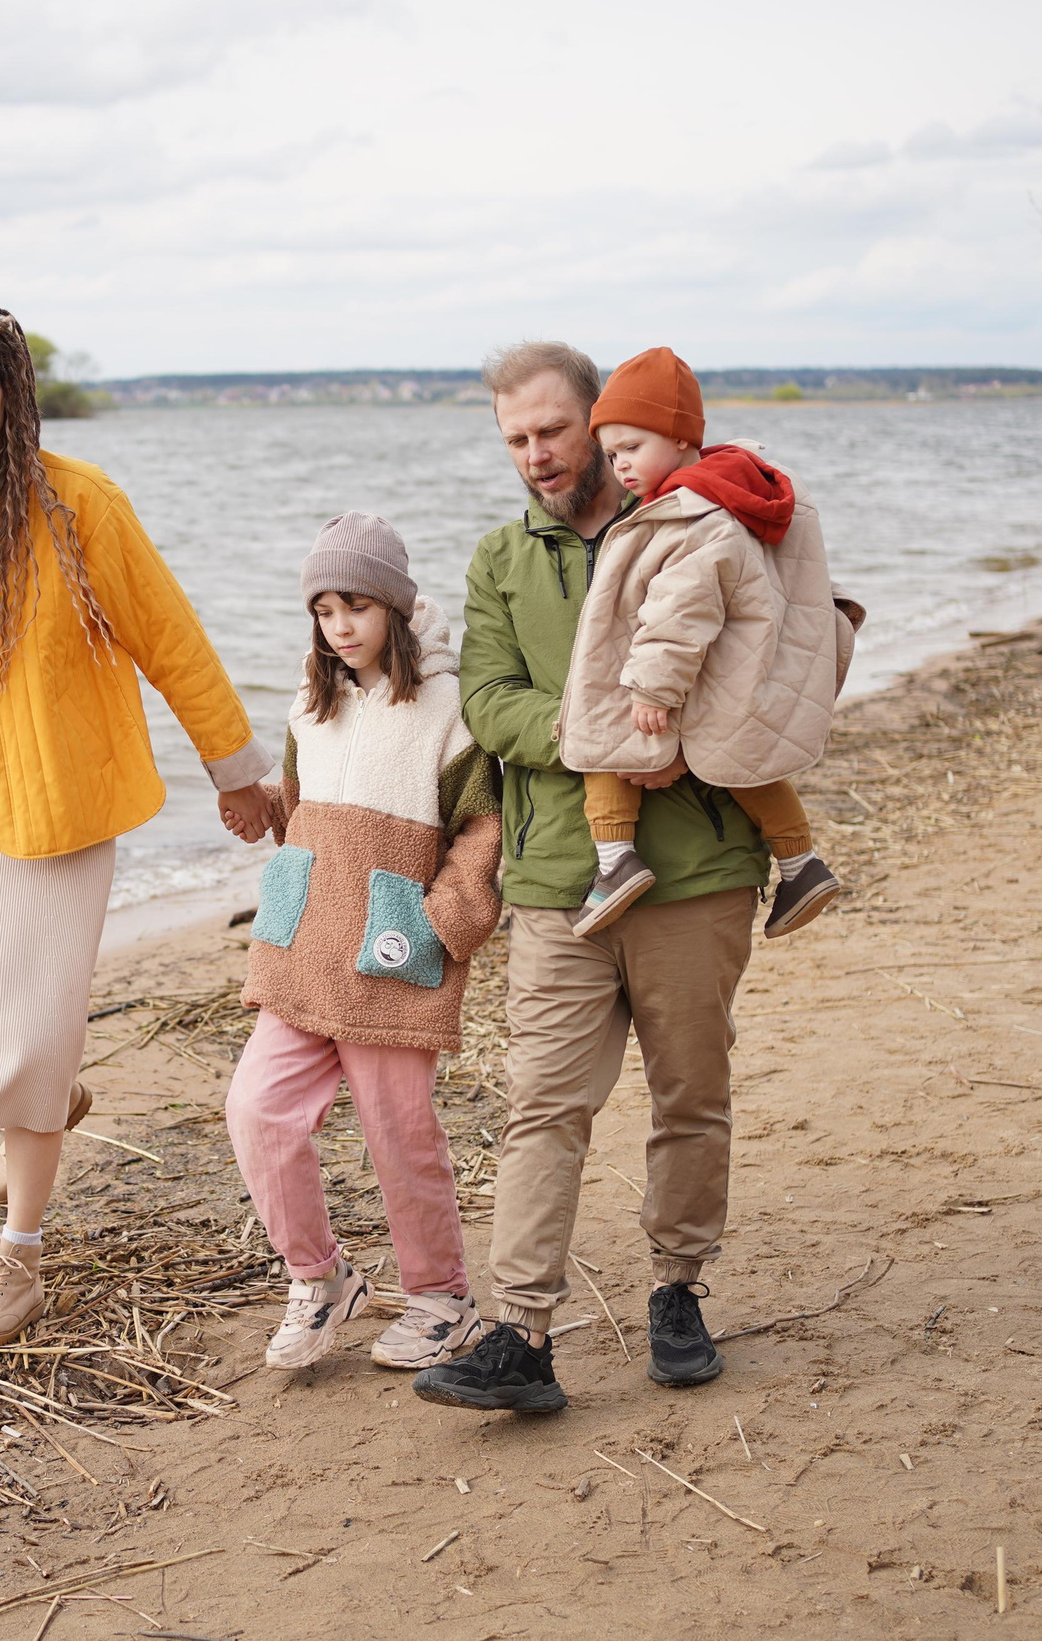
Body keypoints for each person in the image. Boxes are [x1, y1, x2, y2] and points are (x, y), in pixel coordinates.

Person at [0, 298, 271, 1350]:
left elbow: (171, 639)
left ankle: (18, 1264)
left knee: (31, 1026)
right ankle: (48, 1092)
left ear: (10, 394)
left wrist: (240, 773)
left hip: (64, 796)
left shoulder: (78, 504)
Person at [413, 341, 773, 1417]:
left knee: (690, 1095)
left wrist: (685, 736)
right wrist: (600, 738)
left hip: (696, 866)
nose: (535, 456)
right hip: (554, 879)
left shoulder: (694, 525)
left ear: (601, 423)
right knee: (541, 1107)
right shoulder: (498, 562)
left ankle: (677, 1294)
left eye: (553, 433)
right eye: (514, 439)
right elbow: (488, 699)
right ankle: (520, 1332)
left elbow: (764, 652)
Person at [225, 514, 502, 1372]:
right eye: (323, 610)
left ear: (394, 604)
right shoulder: (315, 704)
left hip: (393, 954)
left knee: (400, 1135)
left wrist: (441, 924)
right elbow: (307, 812)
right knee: (257, 1111)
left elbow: (483, 830)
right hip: (303, 951)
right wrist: (261, 805)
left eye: (354, 605)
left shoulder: (448, 710)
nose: (339, 626)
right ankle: (320, 1279)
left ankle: (440, 1298)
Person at [555, 347, 859, 942]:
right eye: (611, 453)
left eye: (632, 448)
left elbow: (679, 613)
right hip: (744, 673)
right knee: (748, 763)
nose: (619, 466)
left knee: (602, 735)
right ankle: (800, 864)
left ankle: (615, 862)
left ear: (680, 438)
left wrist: (651, 689)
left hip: (685, 675)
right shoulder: (741, 492)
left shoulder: (690, 515)